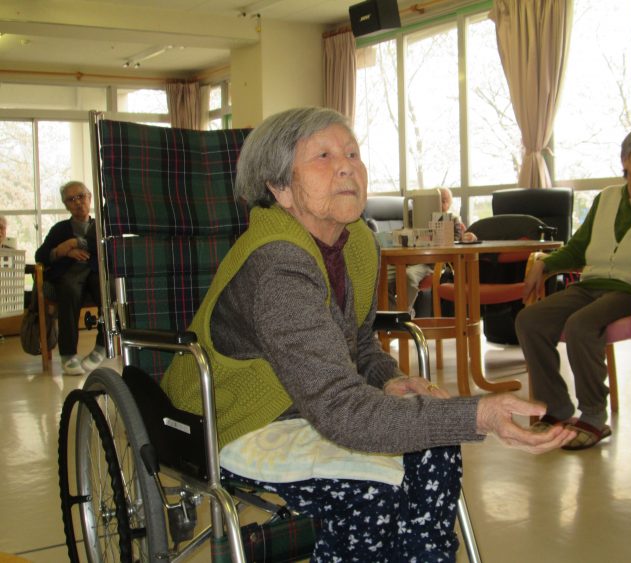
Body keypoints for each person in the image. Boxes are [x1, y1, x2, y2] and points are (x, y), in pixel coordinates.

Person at [161, 107, 574, 561]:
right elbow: (341, 408)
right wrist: (478, 414)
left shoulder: (355, 241)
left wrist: (388, 379)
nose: (346, 166)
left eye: (352, 153)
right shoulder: (278, 266)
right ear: (279, 188)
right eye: (323, 156)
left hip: (313, 403)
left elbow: (357, 343)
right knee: (371, 492)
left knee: (436, 449)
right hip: (236, 418)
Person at [516, 126, 631, 451]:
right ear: (625, 159)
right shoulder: (605, 198)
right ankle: (556, 409)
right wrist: (545, 265)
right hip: (591, 286)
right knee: (529, 320)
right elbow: (578, 248)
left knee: (581, 325)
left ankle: (593, 417)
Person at [35, 181, 106, 376]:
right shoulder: (60, 229)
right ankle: (68, 354)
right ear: (66, 205)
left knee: (107, 291)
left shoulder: (100, 226)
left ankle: (102, 346)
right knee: (68, 290)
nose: (77, 202)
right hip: (70, 275)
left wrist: (75, 243)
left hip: (94, 273)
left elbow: (106, 247)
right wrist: (61, 251)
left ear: (89, 197)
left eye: (81, 196)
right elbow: (40, 255)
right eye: (71, 199)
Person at [388, 187, 476, 313]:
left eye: (444, 201)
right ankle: (395, 316)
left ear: (449, 205)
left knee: (409, 276)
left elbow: (455, 244)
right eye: (437, 199)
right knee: (381, 277)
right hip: (405, 259)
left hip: (428, 262)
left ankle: (402, 315)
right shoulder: (413, 215)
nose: (440, 203)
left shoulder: (452, 220)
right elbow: (404, 236)